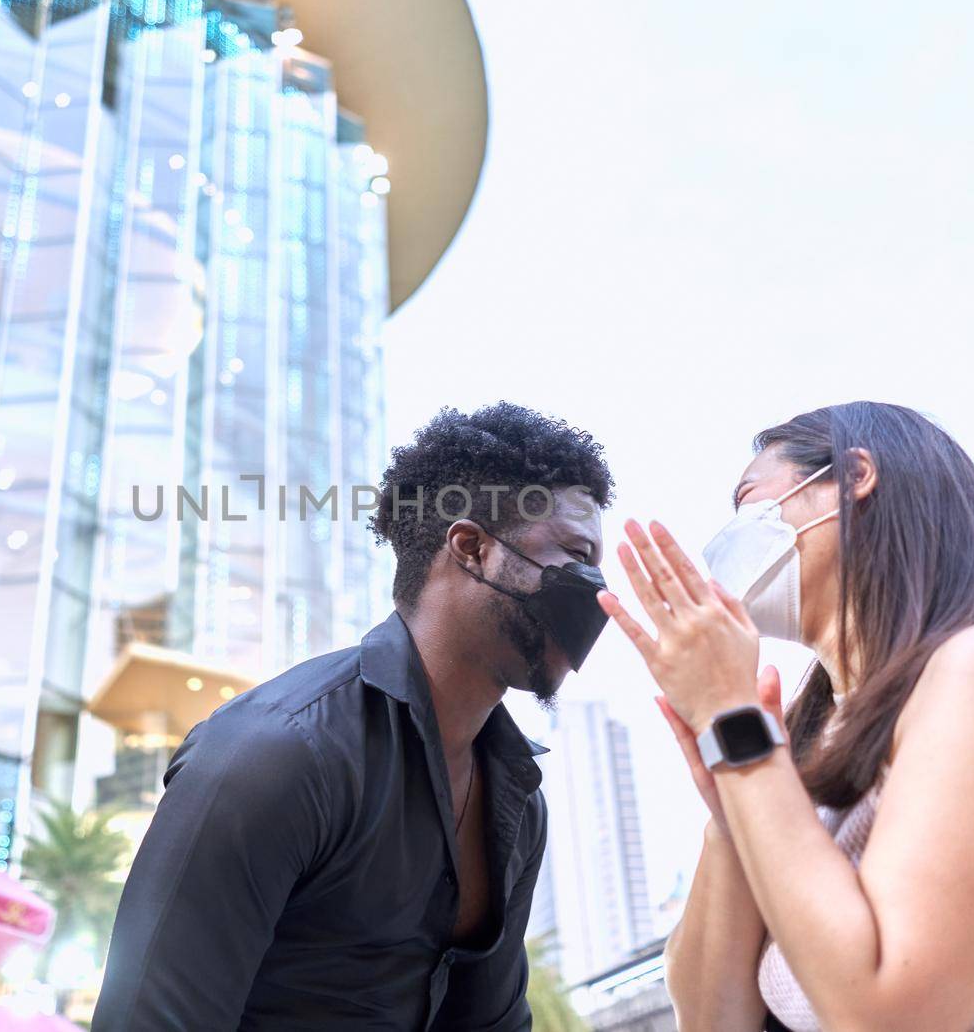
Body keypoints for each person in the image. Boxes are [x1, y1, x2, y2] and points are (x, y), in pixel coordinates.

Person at [597, 401, 974, 1031]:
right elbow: (710, 1019)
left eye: (748, 501)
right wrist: (735, 811)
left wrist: (734, 718)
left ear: (855, 475)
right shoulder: (804, 743)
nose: (727, 541)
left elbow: (885, 1013)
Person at [92, 403, 615, 1030]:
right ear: (472, 548)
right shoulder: (277, 753)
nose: (598, 592)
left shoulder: (518, 798)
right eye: (576, 556)